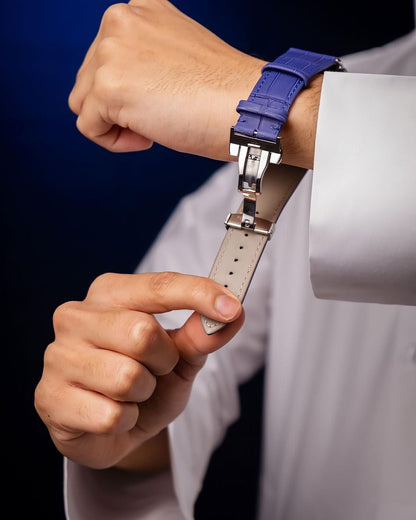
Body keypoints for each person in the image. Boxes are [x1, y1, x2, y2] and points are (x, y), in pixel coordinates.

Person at [34, 0, 416, 518]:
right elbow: (163, 371)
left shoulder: (297, 110)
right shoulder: (336, 94)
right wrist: (110, 397)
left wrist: (282, 106)